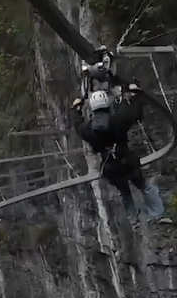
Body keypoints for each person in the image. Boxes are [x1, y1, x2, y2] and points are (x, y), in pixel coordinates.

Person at [71, 80, 170, 228]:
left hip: (110, 166)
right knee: (144, 186)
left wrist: (76, 108)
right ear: (106, 103)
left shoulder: (88, 129)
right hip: (126, 161)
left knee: (124, 192)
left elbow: (77, 125)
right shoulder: (119, 120)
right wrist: (133, 94)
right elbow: (134, 113)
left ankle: (134, 220)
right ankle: (158, 214)